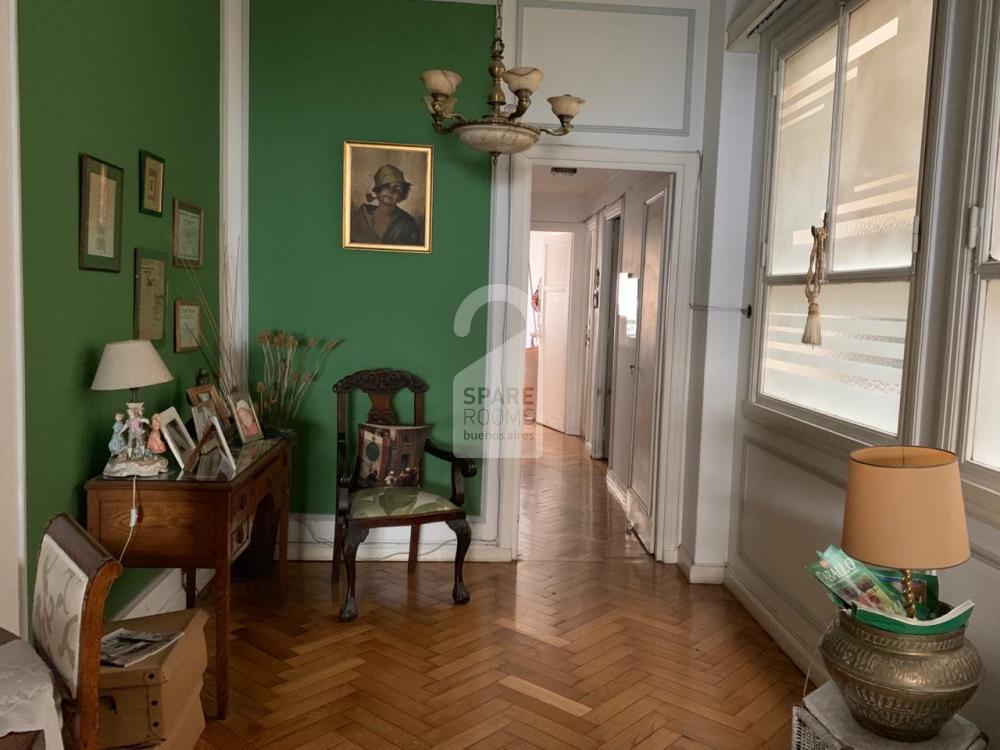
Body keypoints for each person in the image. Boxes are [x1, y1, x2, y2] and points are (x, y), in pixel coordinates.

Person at [350, 164, 422, 246]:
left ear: (401, 195)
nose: (391, 192)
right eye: (386, 187)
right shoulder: (360, 217)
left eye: (397, 189)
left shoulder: (408, 223)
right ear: (378, 191)